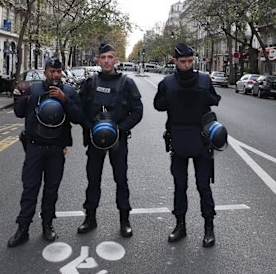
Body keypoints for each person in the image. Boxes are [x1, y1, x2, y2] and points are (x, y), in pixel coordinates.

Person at [8, 58, 84, 248]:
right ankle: (22, 228)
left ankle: (47, 224)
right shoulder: (34, 89)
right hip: (35, 147)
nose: (55, 75)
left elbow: (78, 117)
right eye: (52, 71)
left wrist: (64, 100)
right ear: (45, 72)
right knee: (30, 188)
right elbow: (19, 112)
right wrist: (22, 96)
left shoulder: (69, 91)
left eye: (58, 71)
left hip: (57, 149)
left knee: (52, 189)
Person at [153, 42, 222, 248]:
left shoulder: (203, 79)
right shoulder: (167, 83)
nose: (187, 65)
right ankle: (180, 225)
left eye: (190, 61)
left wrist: (201, 95)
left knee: (203, 186)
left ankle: (209, 228)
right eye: (183, 61)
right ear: (174, 61)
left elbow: (214, 100)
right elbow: (158, 105)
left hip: (201, 139)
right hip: (178, 138)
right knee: (180, 186)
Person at [77, 43, 143, 237]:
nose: (106, 61)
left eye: (110, 57)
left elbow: (137, 111)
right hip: (94, 141)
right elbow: (80, 109)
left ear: (116, 59)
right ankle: (90, 218)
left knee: (121, 180)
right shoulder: (90, 82)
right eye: (103, 57)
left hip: (118, 141)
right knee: (93, 179)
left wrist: (119, 129)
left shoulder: (126, 82)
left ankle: (124, 219)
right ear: (98, 60)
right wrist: (91, 128)